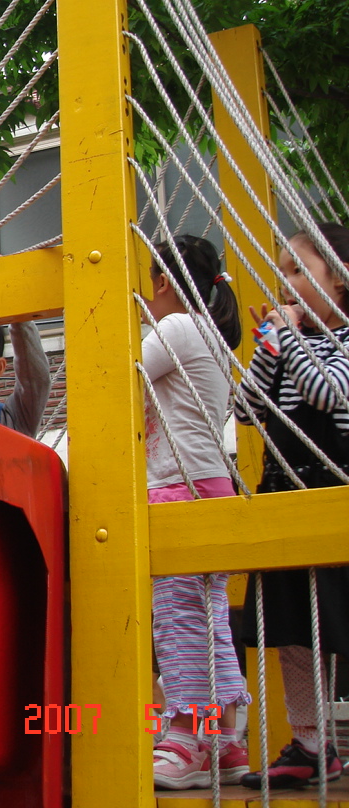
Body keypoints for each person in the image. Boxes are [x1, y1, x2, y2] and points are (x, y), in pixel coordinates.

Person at [235, 223, 349, 790]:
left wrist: (293, 341)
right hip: (283, 490)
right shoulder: (289, 342)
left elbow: (329, 393)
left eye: (299, 270)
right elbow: (245, 409)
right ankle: (309, 741)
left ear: (340, 278)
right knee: (293, 629)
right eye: (283, 270)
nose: (286, 282)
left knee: (337, 619)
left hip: (329, 491)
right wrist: (269, 349)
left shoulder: (343, 341)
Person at [140, 236, 250, 790]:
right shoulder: (207, 332)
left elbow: (115, 376)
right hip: (209, 485)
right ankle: (224, 740)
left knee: (178, 620)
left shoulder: (178, 327)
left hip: (178, 488)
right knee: (210, 623)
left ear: (162, 281)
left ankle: (185, 737)